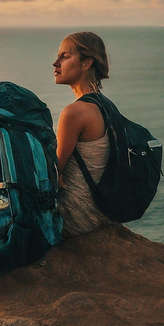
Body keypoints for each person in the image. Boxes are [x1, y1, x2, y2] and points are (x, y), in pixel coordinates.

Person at [52, 31, 116, 238]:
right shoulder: (106, 105)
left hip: (76, 213)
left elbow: (53, 171)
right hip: (104, 207)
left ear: (86, 63)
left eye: (65, 56)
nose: (56, 63)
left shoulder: (75, 113)